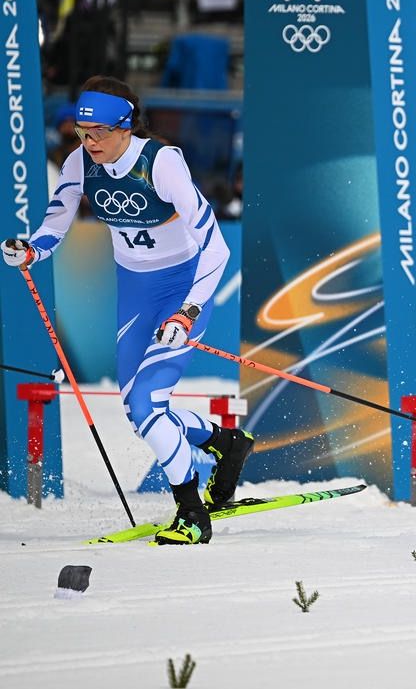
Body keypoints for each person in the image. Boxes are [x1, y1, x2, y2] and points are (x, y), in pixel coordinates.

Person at [2, 76, 253, 546]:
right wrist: (30, 251)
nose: (89, 141)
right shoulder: (80, 163)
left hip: (181, 290)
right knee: (138, 411)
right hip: (135, 292)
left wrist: (187, 313)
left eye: (99, 132)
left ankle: (192, 515)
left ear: (125, 127)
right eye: (82, 132)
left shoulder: (162, 163)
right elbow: (55, 226)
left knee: (147, 405)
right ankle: (225, 443)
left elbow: (217, 248)